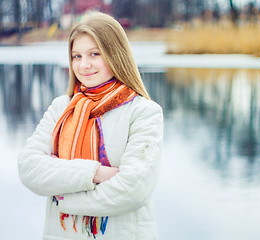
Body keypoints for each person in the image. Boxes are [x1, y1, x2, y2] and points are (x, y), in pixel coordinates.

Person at [18, 12, 163, 240]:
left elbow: (133, 189)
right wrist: (94, 173)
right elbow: (29, 168)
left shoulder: (143, 112)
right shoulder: (62, 108)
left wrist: (64, 199)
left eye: (94, 54)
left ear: (115, 54)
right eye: (76, 56)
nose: (83, 65)